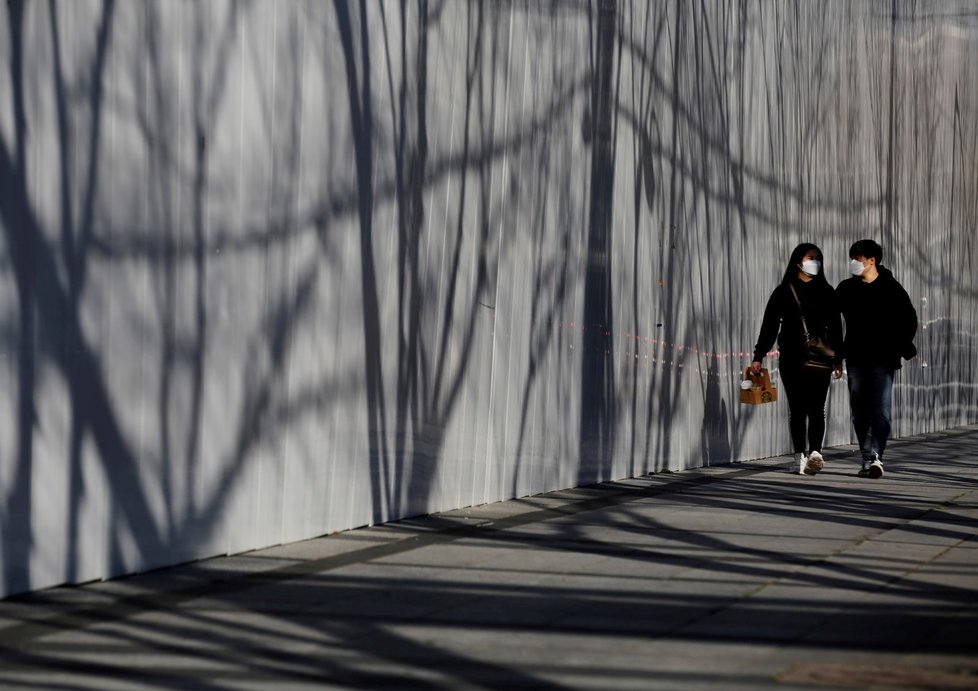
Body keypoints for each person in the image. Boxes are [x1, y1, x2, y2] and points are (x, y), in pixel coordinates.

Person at [751, 243, 843, 475]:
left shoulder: (827, 291)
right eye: (811, 257)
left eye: (818, 258)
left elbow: (835, 328)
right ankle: (799, 454)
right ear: (797, 262)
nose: (815, 262)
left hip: (820, 359)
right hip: (791, 357)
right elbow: (769, 326)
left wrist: (838, 359)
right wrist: (758, 356)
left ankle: (815, 452)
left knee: (817, 407)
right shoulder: (783, 291)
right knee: (797, 407)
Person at [836, 239, 917, 478]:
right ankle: (867, 455)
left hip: (883, 358)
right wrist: (836, 356)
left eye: (858, 259)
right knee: (860, 410)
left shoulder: (891, 288)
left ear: (872, 260)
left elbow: (909, 319)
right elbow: (830, 319)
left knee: (881, 409)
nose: (854, 263)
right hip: (856, 358)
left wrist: (900, 346)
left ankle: (875, 457)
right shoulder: (846, 289)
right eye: (852, 259)